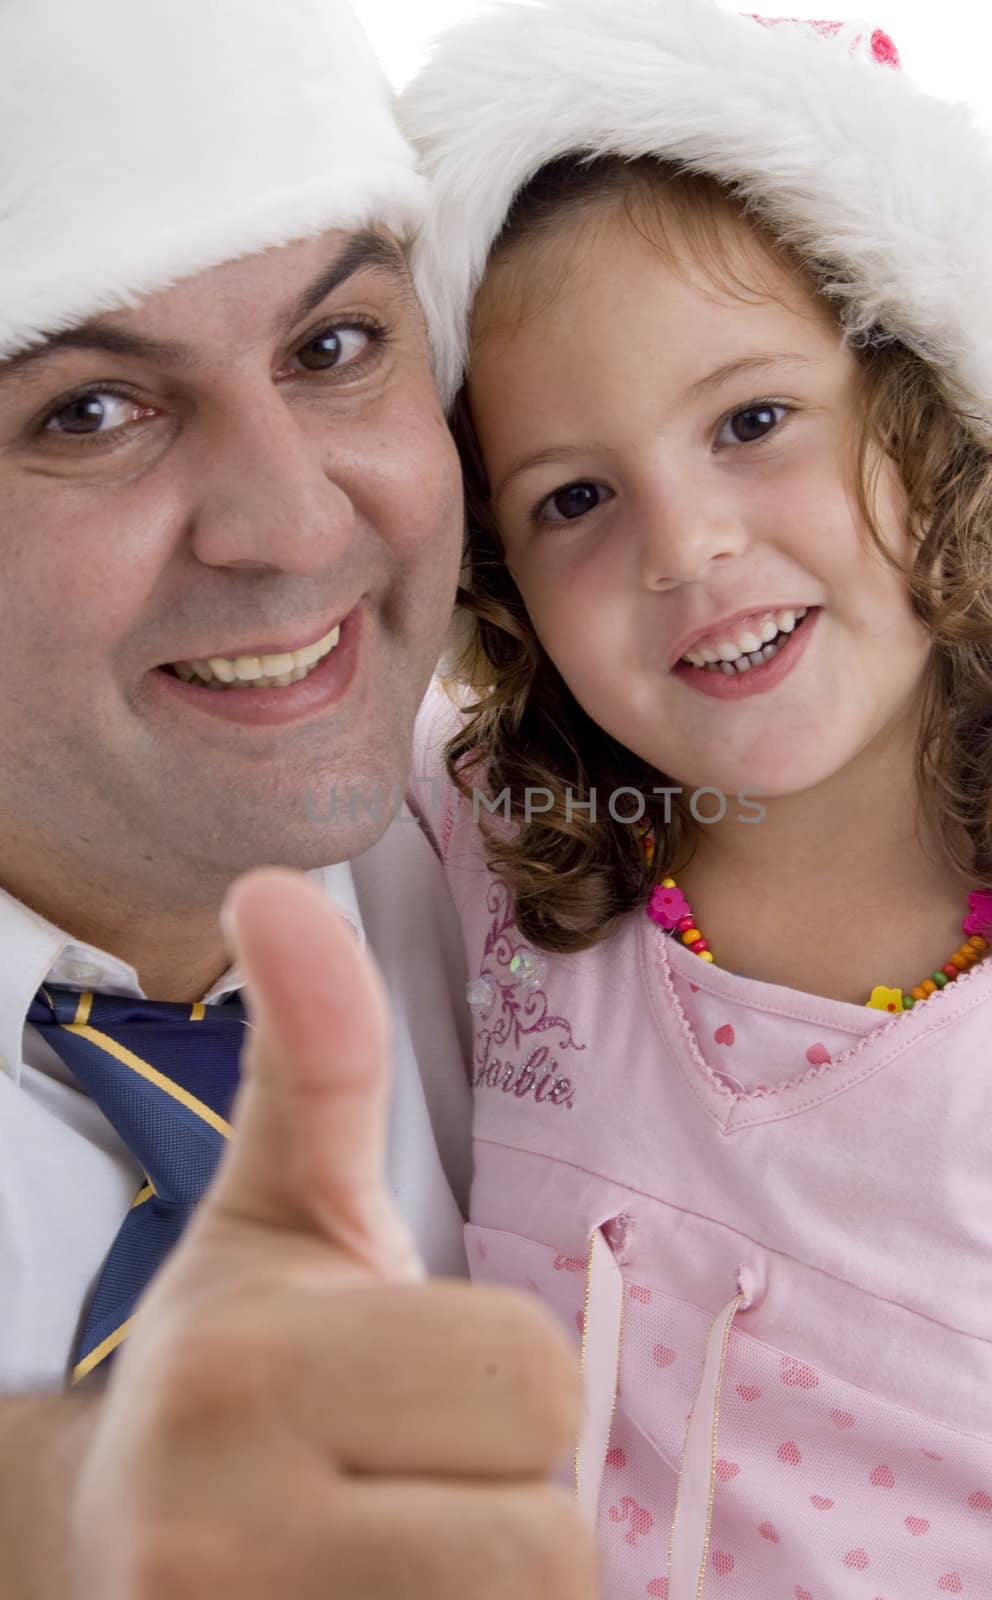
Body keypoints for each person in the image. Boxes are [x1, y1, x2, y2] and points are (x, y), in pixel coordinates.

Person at [400, 3, 992, 1594]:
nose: (685, 545)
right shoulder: (498, 852)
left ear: (927, 409)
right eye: (574, 497)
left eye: (753, 422)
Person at [0, 2, 595, 1596]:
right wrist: (60, 1513)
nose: (286, 525)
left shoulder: (575, 888)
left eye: (333, 349)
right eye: (87, 411)